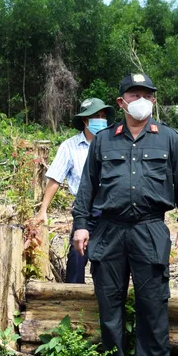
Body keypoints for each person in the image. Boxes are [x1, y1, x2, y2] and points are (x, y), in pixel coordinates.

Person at [72, 73, 178, 356]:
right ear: (121, 102)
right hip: (109, 230)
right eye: (134, 94)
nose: (140, 99)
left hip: (149, 229)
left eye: (146, 94)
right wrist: (81, 225)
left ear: (153, 100)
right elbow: (87, 186)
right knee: (109, 301)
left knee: (152, 302)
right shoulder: (104, 141)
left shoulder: (169, 139)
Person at [35, 98, 114, 283]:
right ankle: (72, 299)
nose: (100, 120)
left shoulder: (113, 143)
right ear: (85, 121)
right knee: (77, 257)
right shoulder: (69, 146)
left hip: (111, 208)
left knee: (108, 259)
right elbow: (55, 178)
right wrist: (43, 209)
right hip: (85, 209)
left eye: (103, 116)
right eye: (96, 116)